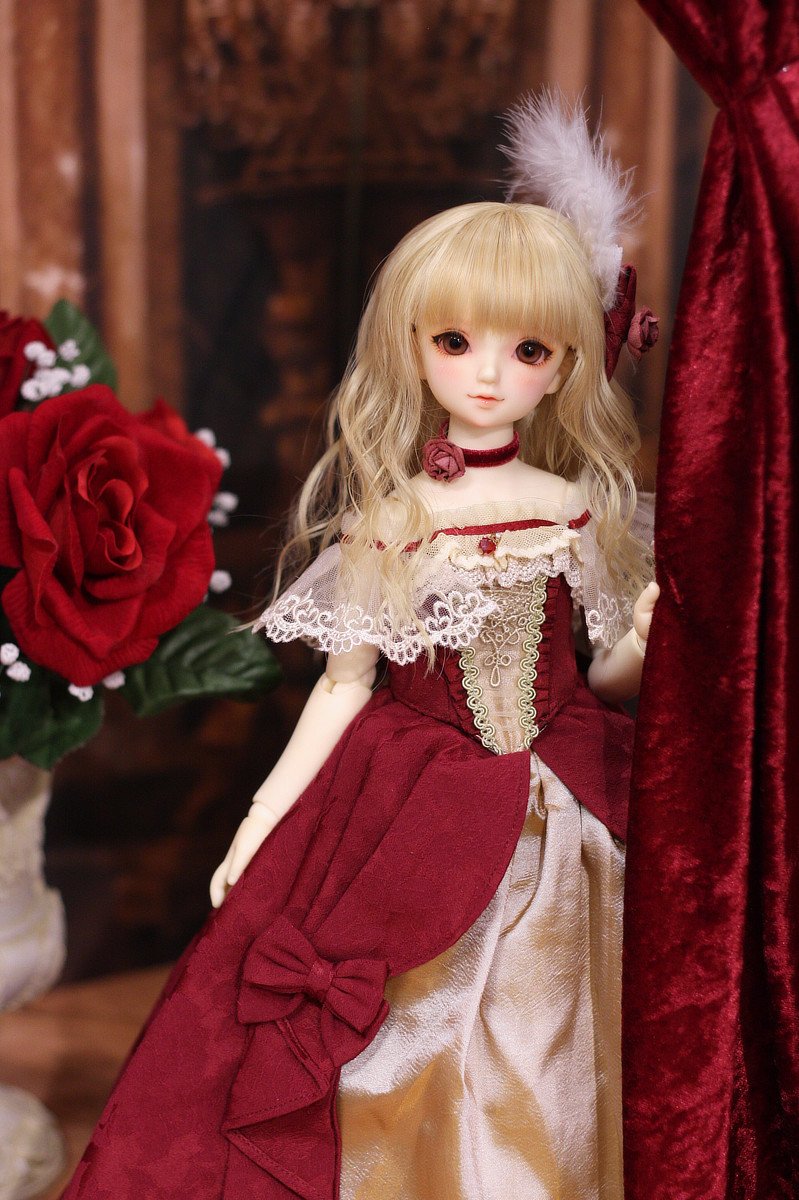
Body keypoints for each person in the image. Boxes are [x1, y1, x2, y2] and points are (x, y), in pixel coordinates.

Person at [62, 95, 658, 1200]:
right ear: (413, 345)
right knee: (409, 1041)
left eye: (526, 348)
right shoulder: (395, 517)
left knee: (562, 1040)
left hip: (568, 808)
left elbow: (603, 682)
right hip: (411, 801)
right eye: (454, 342)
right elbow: (343, 687)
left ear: (566, 359)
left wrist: (636, 636)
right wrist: (260, 818)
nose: (487, 373)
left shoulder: (571, 505)